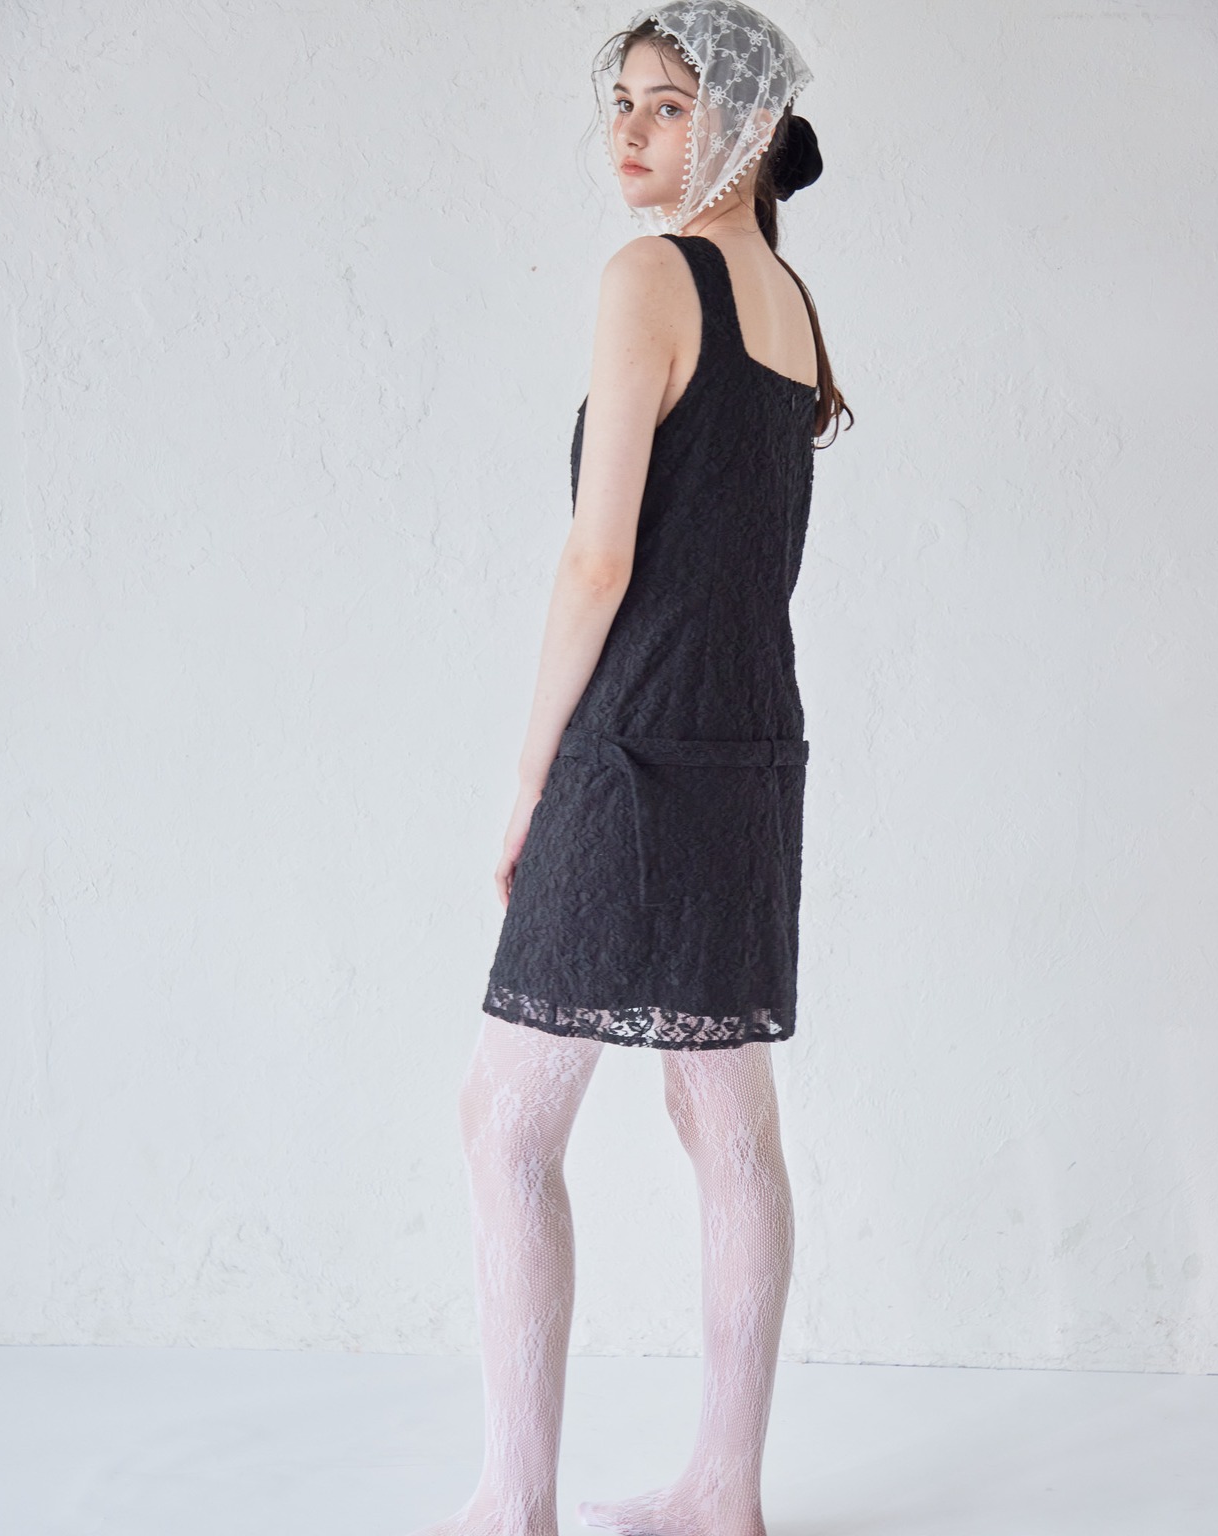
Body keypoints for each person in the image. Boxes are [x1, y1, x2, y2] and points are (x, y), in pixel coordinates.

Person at [409, 5, 851, 1534]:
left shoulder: (651, 276)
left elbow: (600, 560)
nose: (632, 131)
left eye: (670, 104)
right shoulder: (788, 300)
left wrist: (532, 778)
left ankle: (513, 1503)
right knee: (727, 1130)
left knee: (506, 1122)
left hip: (635, 751)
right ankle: (724, 1492)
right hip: (751, 753)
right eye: (623, 102)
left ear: (746, 126)